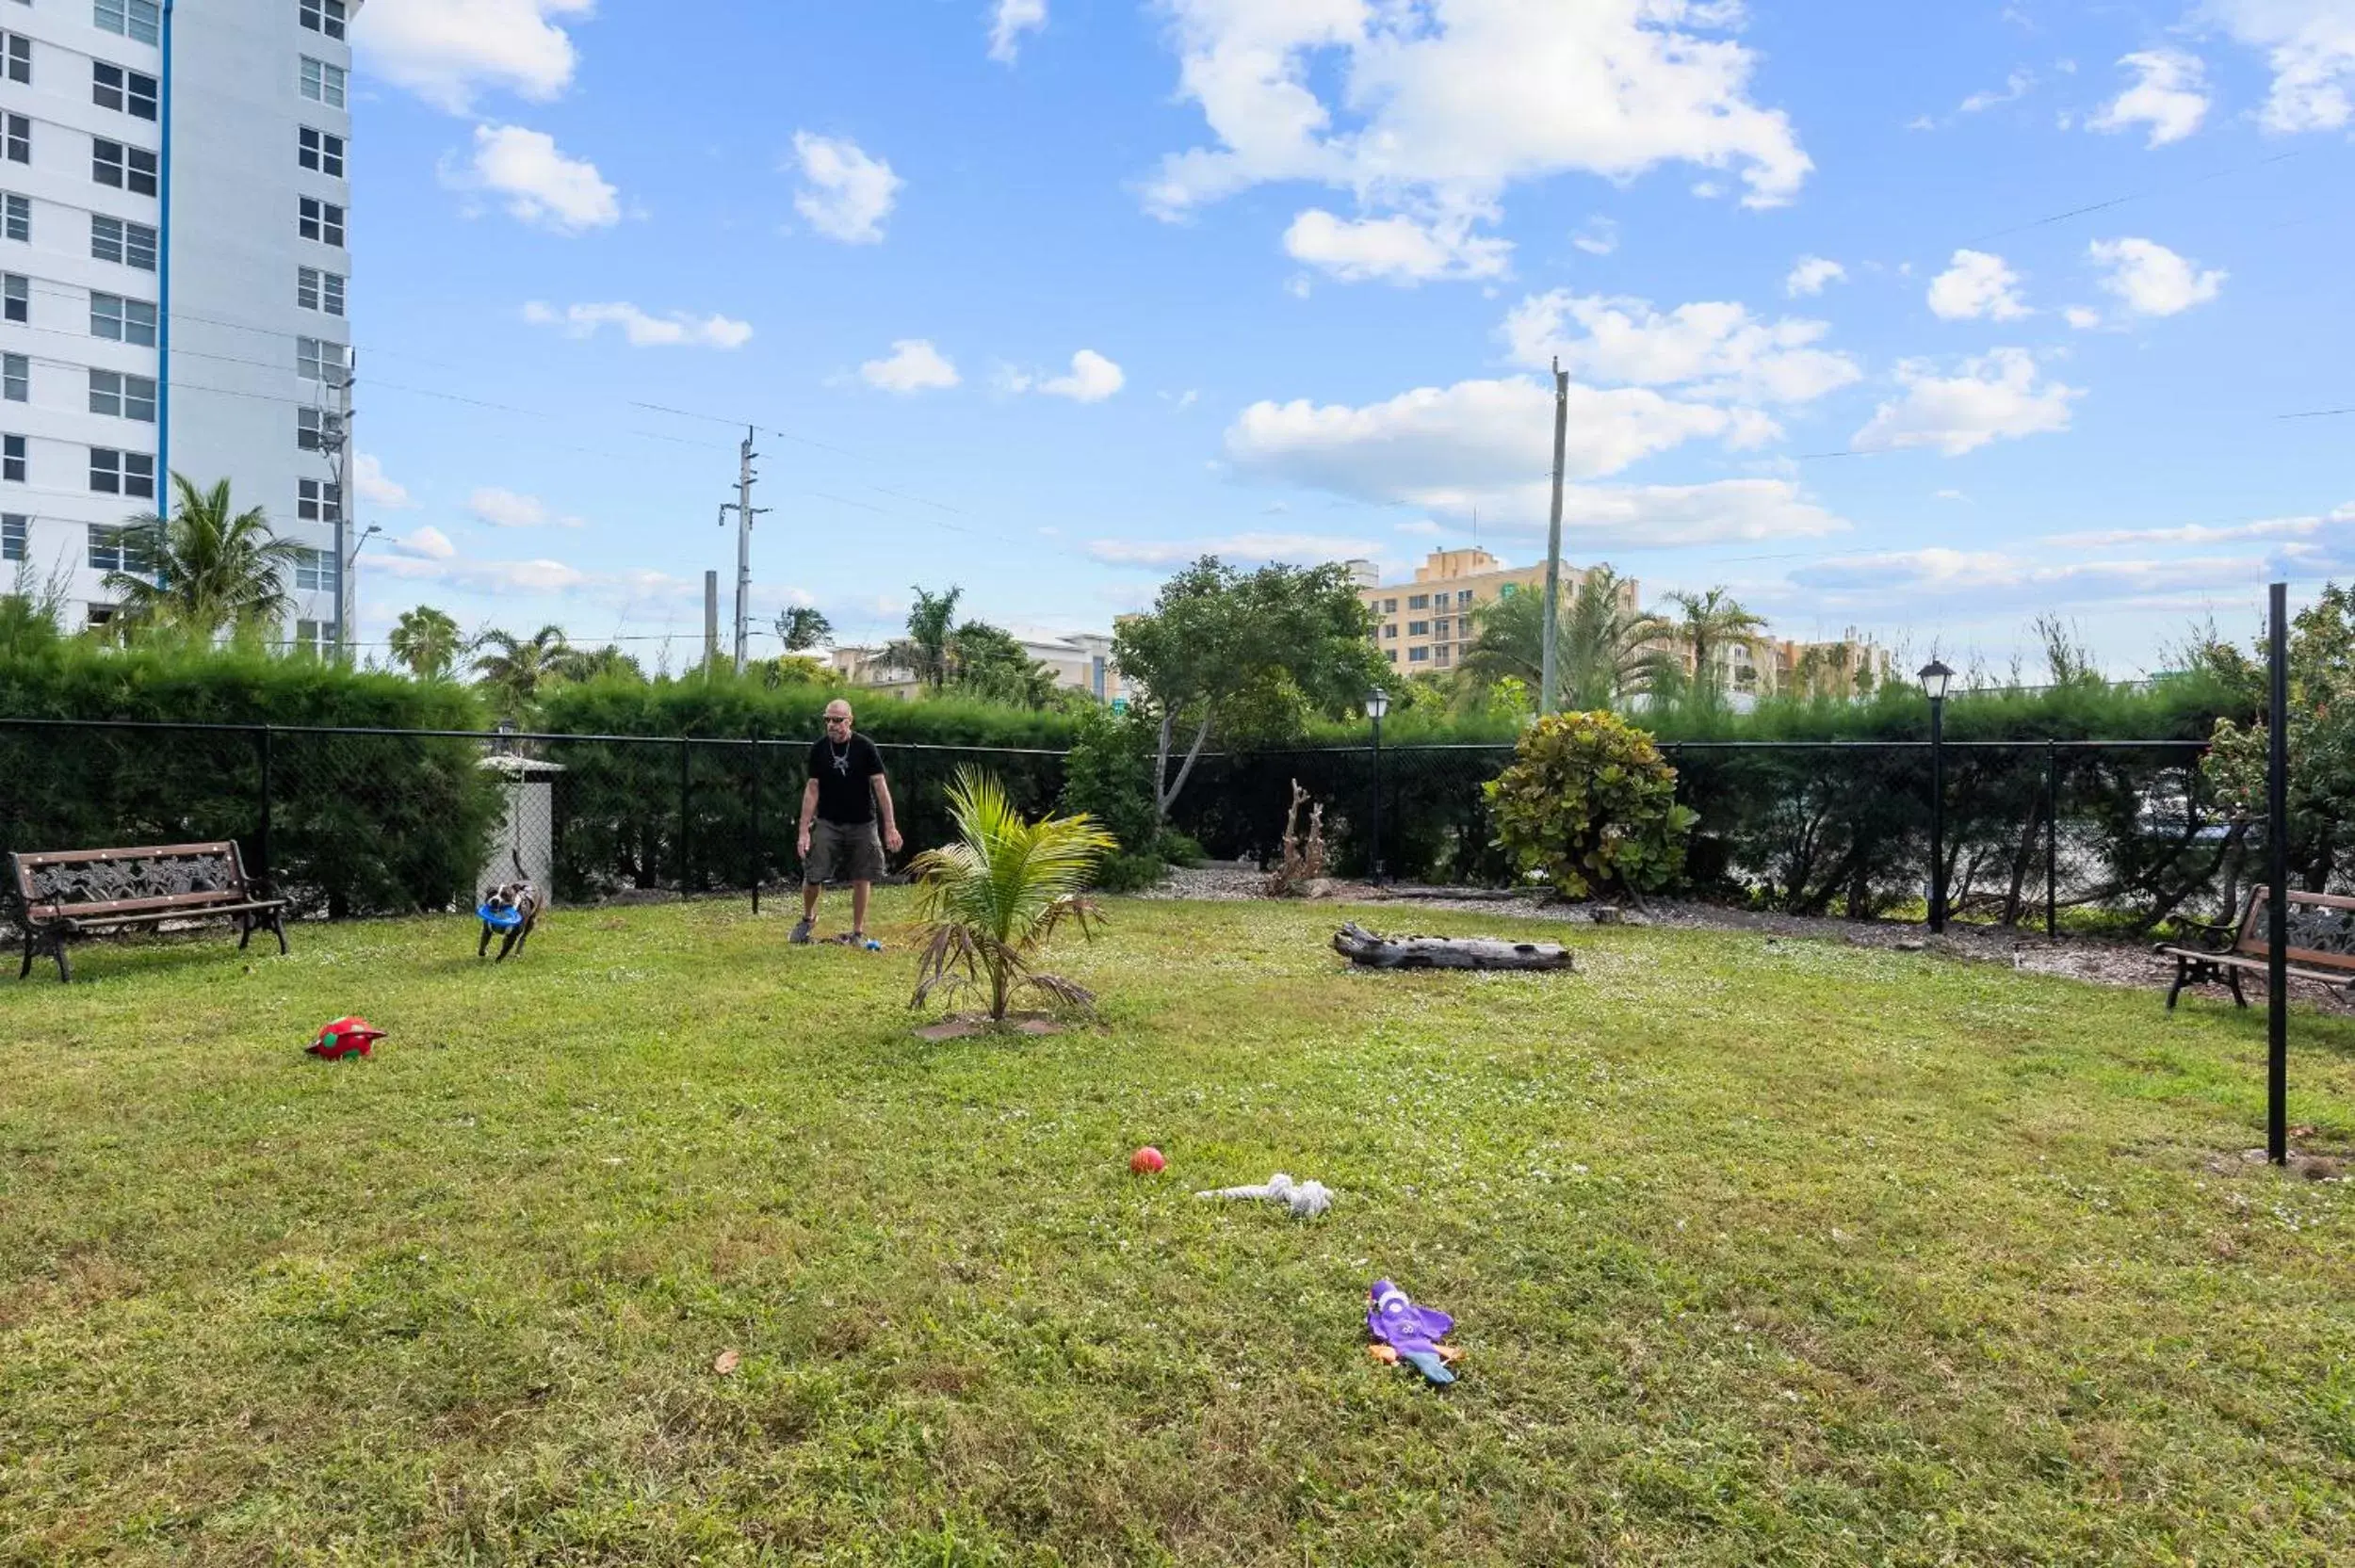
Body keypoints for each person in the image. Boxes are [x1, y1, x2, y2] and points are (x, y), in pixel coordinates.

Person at [793, 699, 902, 946]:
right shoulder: (819, 749)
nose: (832, 725)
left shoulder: (865, 747)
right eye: (828, 720)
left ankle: (857, 932)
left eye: (838, 720)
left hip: (863, 822)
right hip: (828, 822)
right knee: (813, 875)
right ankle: (808, 919)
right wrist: (803, 831)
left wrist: (890, 827)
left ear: (850, 721)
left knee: (862, 876)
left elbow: (881, 788)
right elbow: (812, 789)